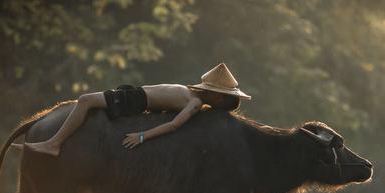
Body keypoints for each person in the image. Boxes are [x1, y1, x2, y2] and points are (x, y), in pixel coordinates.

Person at [24, 63, 251, 156]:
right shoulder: (193, 97)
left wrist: (143, 136)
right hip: (134, 94)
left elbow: (173, 125)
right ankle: (53, 141)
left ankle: (54, 143)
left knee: (85, 100)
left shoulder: (194, 104)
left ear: (216, 97)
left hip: (135, 100)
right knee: (86, 101)